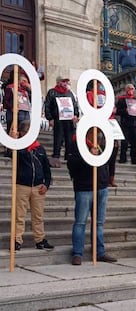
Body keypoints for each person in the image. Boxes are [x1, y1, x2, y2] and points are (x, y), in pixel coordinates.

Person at [67, 128, 117, 265]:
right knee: (81, 222)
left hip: (101, 186)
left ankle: (99, 252)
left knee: (99, 222)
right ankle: (77, 252)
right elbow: (71, 164)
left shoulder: (101, 144)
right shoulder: (77, 144)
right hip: (84, 187)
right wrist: (88, 156)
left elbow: (109, 161)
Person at [12, 120, 54, 251]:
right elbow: (12, 156)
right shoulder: (18, 147)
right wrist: (14, 142)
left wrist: (46, 184)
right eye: (26, 131)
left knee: (38, 215)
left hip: (38, 187)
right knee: (19, 215)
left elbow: (47, 168)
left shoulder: (39, 148)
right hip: (22, 185)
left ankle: (40, 239)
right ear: (22, 133)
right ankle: (17, 239)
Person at [86, 80, 118, 187]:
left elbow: (114, 109)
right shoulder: (90, 94)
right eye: (98, 84)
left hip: (111, 124)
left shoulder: (108, 96)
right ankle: (100, 177)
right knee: (100, 150)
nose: (101, 86)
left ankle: (111, 178)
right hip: (98, 124)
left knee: (113, 151)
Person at [44, 76, 79, 167]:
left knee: (69, 139)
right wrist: (50, 118)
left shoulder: (69, 93)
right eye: (64, 81)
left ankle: (68, 157)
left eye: (67, 82)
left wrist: (76, 114)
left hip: (69, 120)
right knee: (58, 138)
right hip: (58, 119)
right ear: (58, 82)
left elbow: (74, 105)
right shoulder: (52, 92)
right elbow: (47, 106)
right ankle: (56, 156)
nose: (66, 83)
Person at [116, 84, 136, 164]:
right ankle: (123, 158)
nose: (131, 90)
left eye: (132, 89)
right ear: (126, 90)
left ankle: (134, 159)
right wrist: (125, 111)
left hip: (135, 125)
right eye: (129, 89)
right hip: (126, 124)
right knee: (124, 142)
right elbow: (117, 111)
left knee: (135, 143)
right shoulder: (122, 100)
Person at [3, 73, 31, 157]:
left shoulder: (25, 91)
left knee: (23, 131)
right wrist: (12, 107)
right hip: (13, 113)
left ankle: (21, 151)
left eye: (26, 81)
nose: (25, 83)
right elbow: (6, 101)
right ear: (19, 80)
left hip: (25, 113)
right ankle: (9, 151)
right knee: (12, 132)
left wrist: (30, 89)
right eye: (24, 81)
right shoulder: (10, 88)